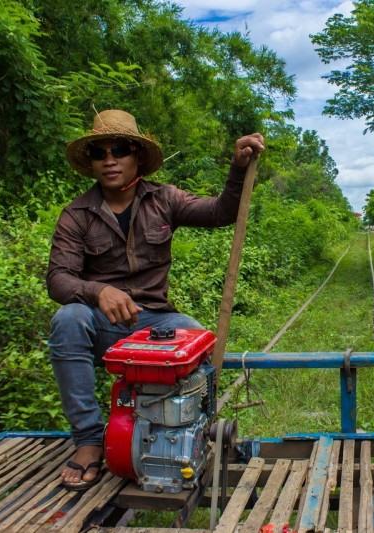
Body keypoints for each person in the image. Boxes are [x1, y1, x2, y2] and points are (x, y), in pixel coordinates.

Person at [46, 109, 264, 490]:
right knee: (67, 319)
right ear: (93, 162)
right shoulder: (76, 214)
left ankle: (191, 433)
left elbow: (220, 212)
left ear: (138, 157)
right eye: (100, 152)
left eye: (120, 150)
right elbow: (58, 279)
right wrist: (98, 291)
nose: (110, 159)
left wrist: (238, 167)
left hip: (155, 322)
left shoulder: (165, 199)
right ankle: (88, 441)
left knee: (198, 340)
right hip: (101, 326)